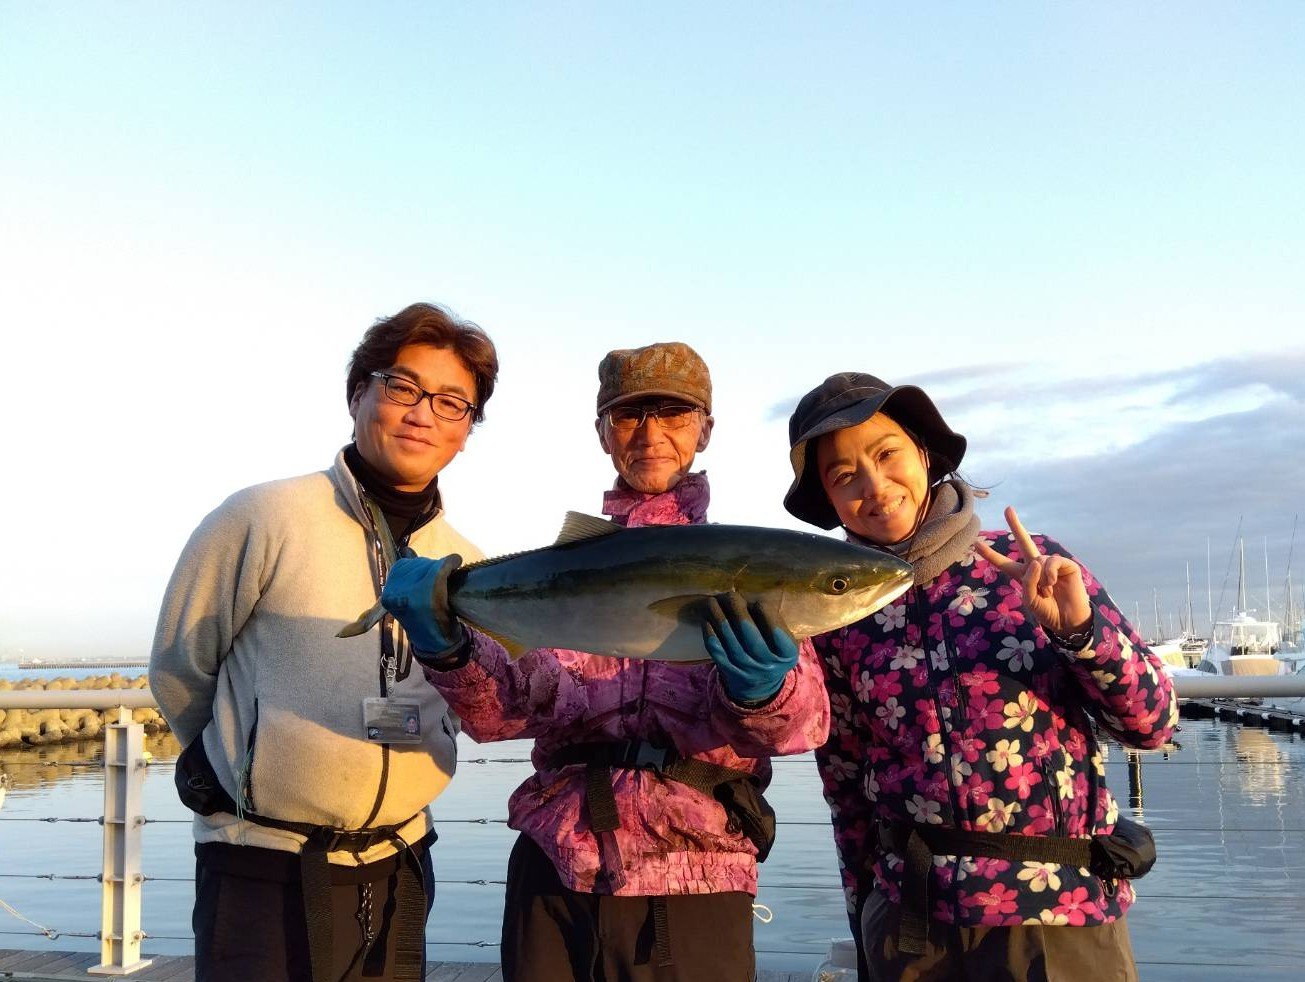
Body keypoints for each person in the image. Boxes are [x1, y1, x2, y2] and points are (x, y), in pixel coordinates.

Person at [381, 342, 831, 981]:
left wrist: (762, 692)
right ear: (602, 433)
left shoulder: (753, 566)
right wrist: (448, 648)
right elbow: (503, 714)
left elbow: (802, 726)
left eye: (673, 414)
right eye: (628, 415)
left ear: (704, 430)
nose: (650, 433)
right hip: (553, 866)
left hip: (695, 874)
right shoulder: (562, 567)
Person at [782, 372, 1178, 982]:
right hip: (910, 926)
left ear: (924, 453)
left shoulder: (1032, 566)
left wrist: (1081, 634)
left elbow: (1153, 724)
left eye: (886, 454)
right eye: (843, 475)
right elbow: (845, 788)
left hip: (1060, 913)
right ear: (829, 499)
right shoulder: (837, 614)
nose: (874, 486)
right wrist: (864, 918)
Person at [149, 302, 499, 982]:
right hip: (262, 864)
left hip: (401, 861)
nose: (423, 414)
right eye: (402, 387)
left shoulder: (465, 563)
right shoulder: (263, 516)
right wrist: (230, 769)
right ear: (357, 393)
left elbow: (468, 694)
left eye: (451, 402)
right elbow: (179, 664)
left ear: (466, 431)